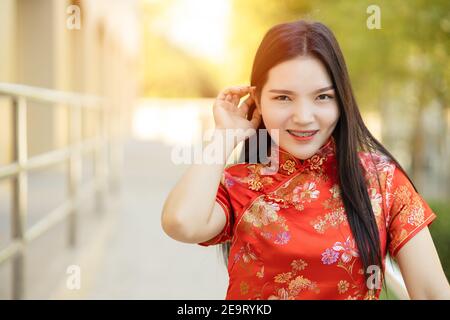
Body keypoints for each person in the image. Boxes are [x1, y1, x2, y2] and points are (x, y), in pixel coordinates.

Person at [161, 20, 450, 300]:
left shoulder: (383, 182)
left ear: (342, 100)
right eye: (284, 98)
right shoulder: (243, 184)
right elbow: (181, 223)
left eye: (322, 97)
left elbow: (432, 293)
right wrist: (225, 136)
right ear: (257, 101)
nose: (303, 116)